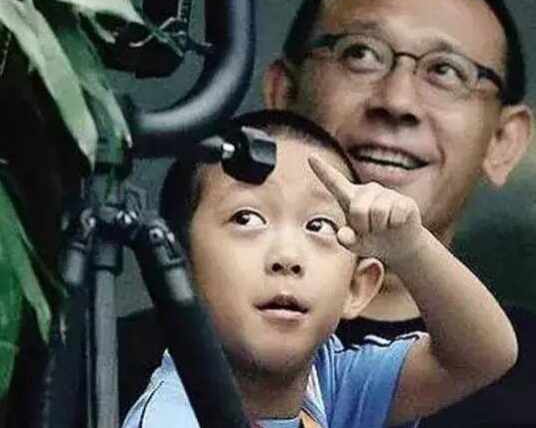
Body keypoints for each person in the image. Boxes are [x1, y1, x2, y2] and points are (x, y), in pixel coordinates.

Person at [261, 0, 536, 425]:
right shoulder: (145, 358)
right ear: (284, 96)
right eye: (361, 54)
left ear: (503, 141)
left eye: (446, 71)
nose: (397, 101)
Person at [123, 110, 517, 428]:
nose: (287, 256)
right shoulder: (169, 419)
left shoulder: (328, 381)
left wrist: (411, 248)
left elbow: (482, 355)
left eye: (319, 225)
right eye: (247, 218)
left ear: (357, 289)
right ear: (178, 270)